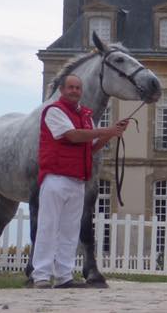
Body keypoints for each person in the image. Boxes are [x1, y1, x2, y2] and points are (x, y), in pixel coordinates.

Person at [33, 74, 128, 288]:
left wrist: (112, 133)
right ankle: (41, 275)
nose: (75, 91)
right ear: (62, 90)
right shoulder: (54, 111)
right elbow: (72, 136)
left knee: (70, 230)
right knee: (48, 227)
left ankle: (64, 276)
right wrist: (108, 130)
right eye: (71, 87)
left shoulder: (85, 116)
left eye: (77, 88)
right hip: (56, 177)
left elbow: (91, 146)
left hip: (77, 179)